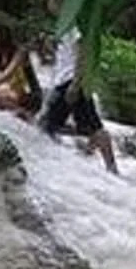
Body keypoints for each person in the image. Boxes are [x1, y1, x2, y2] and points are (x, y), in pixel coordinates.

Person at [40, 28, 119, 174]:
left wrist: (75, 84)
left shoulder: (74, 28)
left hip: (71, 82)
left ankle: (111, 168)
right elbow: (62, 55)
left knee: (93, 126)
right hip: (64, 81)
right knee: (49, 125)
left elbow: (82, 54)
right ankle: (89, 154)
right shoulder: (62, 27)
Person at [0, 26, 43, 120]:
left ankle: (24, 113)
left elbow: (7, 75)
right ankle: (17, 112)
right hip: (15, 91)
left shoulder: (21, 52)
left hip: (30, 95)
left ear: (4, 37)